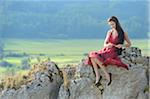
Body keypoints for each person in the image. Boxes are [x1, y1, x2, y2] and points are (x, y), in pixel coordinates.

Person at [84, 16, 131, 86]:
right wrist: (108, 45)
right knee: (92, 55)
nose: (112, 26)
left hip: (114, 51)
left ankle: (103, 75)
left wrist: (122, 45)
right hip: (107, 50)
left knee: (94, 57)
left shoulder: (123, 33)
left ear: (116, 23)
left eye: (113, 24)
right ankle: (100, 75)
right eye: (110, 25)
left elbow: (129, 44)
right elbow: (104, 44)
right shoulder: (109, 32)